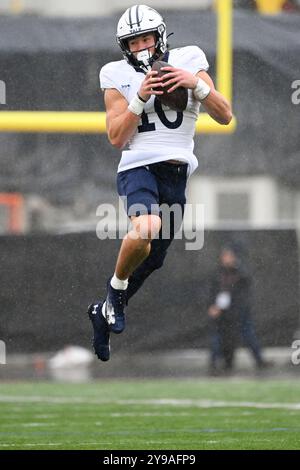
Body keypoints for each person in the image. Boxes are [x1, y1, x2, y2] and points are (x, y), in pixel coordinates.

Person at [88, 5, 232, 361]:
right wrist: (140, 98)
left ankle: (104, 310)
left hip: (176, 173)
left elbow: (225, 115)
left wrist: (193, 83)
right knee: (146, 227)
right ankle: (114, 292)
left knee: (152, 259)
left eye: (146, 39)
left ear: (161, 36)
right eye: (133, 42)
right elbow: (116, 137)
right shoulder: (116, 74)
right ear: (125, 46)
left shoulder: (188, 57)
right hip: (137, 167)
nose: (141, 47)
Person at [207, 244, 268, 374]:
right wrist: (214, 306)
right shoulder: (218, 274)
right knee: (219, 337)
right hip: (223, 312)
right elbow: (215, 292)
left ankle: (259, 360)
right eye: (224, 256)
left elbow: (242, 288)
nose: (227, 259)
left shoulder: (239, 272)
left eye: (229, 256)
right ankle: (215, 363)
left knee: (247, 335)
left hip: (238, 310)